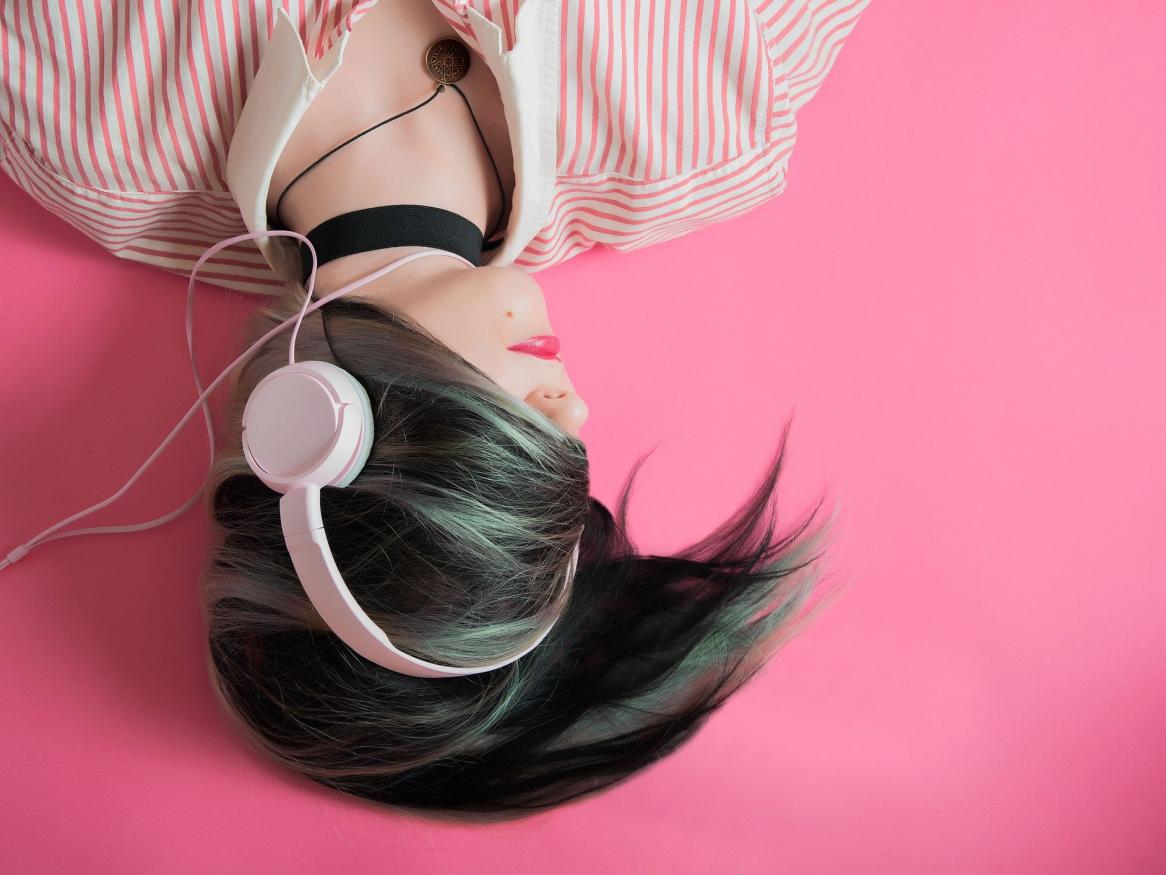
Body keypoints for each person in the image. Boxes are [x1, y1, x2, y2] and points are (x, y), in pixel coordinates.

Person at [0, 0, 868, 821]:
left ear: (317, 428)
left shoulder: (80, 121)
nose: (575, 410)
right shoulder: (712, 114)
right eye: (570, 486)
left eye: (516, 455)